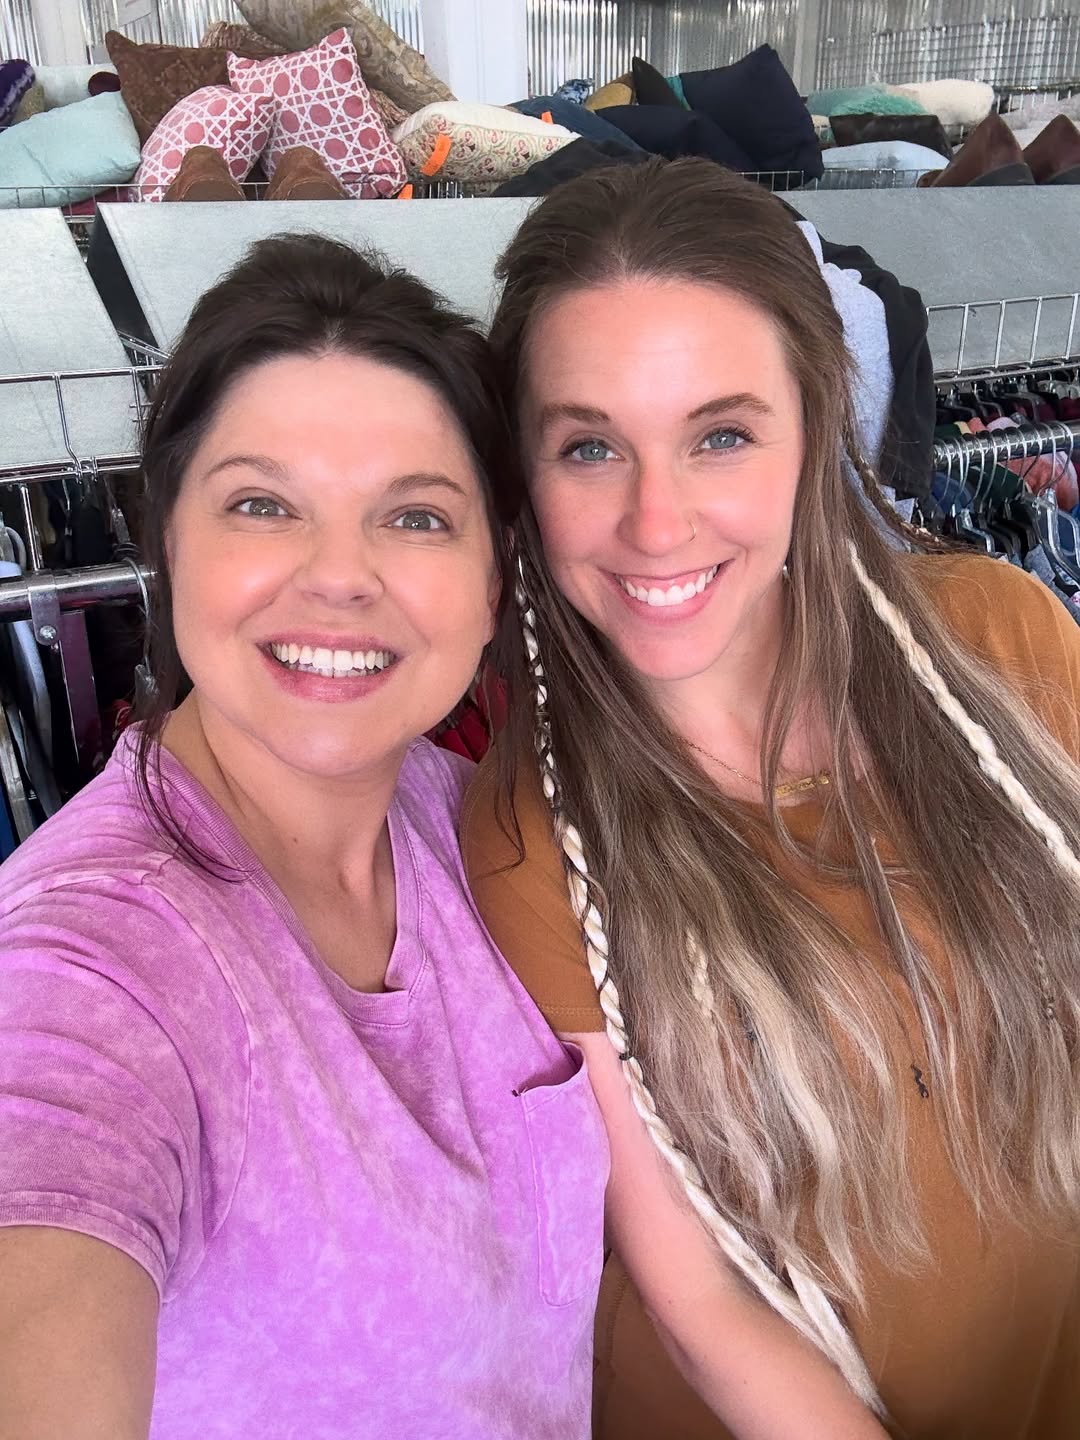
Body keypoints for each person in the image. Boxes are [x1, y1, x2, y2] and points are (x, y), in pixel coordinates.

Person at [462, 156, 1080, 1440]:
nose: (657, 522)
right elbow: (700, 1303)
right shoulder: (535, 833)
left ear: (816, 428)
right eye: (590, 447)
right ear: (527, 477)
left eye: (721, 436)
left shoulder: (1002, 640)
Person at [0, 235, 611, 1439]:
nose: (339, 577)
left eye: (416, 517)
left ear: (496, 580)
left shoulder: (485, 824)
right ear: (166, 543)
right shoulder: (89, 962)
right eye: (263, 505)